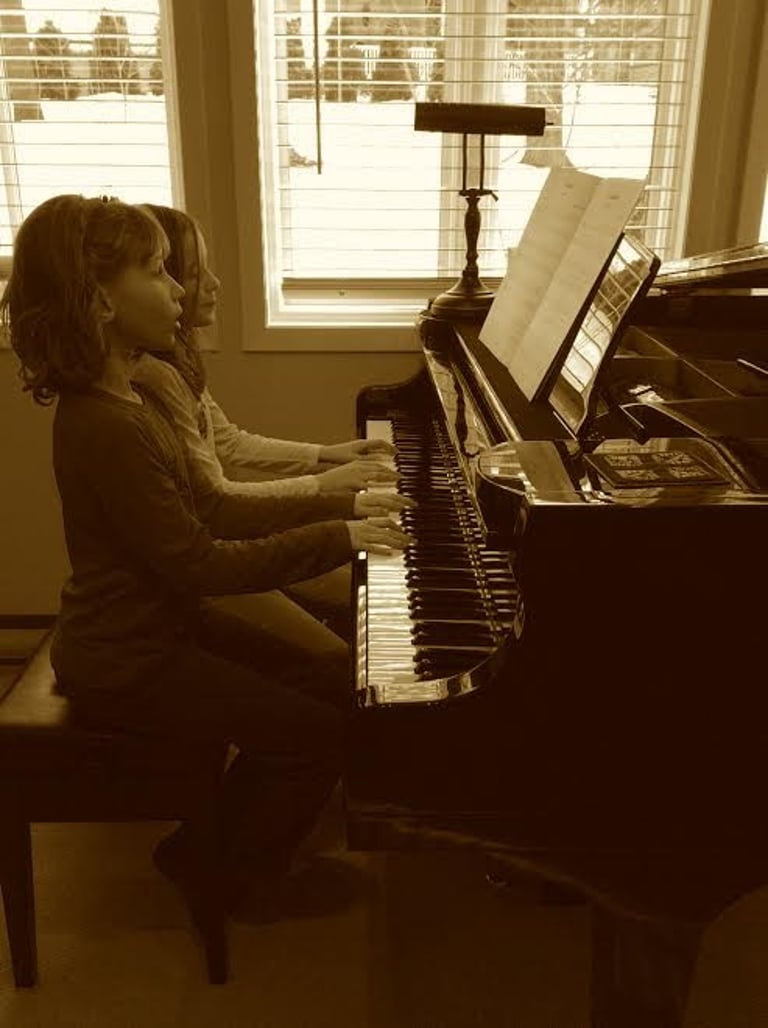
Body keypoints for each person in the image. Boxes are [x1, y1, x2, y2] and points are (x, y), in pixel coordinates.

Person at [1, 194, 411, 953]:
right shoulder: (107, 423)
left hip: (158, 627)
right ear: (99, 302)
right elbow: (199, 558)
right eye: (157, 273)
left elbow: (212, 509)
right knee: (319, 737)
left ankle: (209, 845)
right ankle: (224, 871)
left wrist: (344, 505)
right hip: (126, 658)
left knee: (334, 682)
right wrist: (340, 533)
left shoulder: (133, 390)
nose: (182, 291)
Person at [132, 202, 392, 645]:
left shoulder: (178, 359)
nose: (212, 285)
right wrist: (329, 485)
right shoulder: (156, 377)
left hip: (230, 537)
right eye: (195, 273)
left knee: (361, 588)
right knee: (335, 643)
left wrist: (326, 455)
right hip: (214, 558)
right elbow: (218, 501)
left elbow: (230, 443)